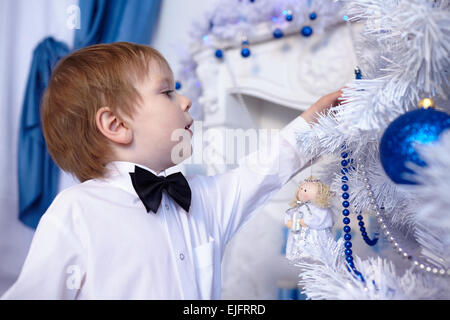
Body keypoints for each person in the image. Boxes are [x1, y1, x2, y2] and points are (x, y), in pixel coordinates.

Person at [2, 42, 342, 299]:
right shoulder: (76, 211)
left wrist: (314, 119)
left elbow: (260, 172)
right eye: (167, 92)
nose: (185, 101)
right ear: (116, 124)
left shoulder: (201, 199)